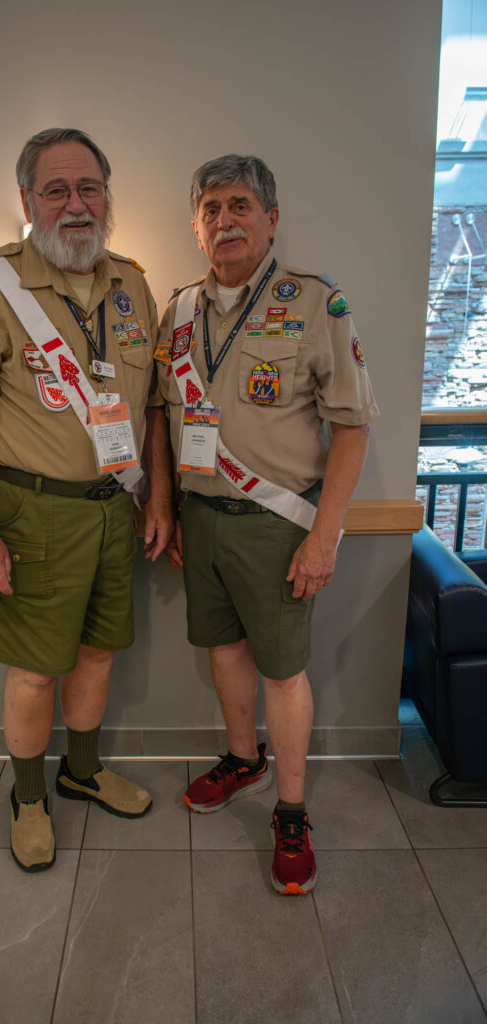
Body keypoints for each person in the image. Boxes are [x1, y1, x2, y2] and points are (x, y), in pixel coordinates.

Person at [0, 128, 172, 872]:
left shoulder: (132, 282)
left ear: (107, 196)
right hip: (30, 514)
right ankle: (29, 796)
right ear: (28, 200)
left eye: (88, 187)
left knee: (97, 656)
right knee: (36, 667)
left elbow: (152, 407)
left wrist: (157, 497)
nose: (76, 203)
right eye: (57, 189)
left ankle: (83, 770)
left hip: (114, 509)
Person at [155, 154, 378, 894]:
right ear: (197, 227)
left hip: (279, 525)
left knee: (283, 671)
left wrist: (325, 537)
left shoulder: (316, 303)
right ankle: (242, 759)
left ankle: (290, 811)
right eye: (212, 208)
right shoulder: (178, 311)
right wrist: (171, 507)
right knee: (223, 651)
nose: (226, 220)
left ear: (271, 219)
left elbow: (351, 427)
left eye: (241, 205)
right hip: (203, 521)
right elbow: (162, 415)